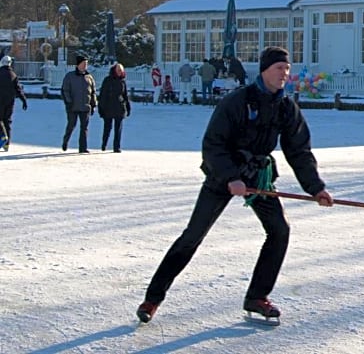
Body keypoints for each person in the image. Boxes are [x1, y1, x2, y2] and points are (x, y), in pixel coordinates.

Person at [136, 46, 334, 325]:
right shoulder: (236, 101)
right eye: (280, 68)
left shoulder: (287, 108)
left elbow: (299, 151)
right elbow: (213, 144)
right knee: (192, 236)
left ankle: (257, 296)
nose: (284, 74)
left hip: (258, 176)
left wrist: (315, 188)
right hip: (222, 174)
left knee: (279, 230)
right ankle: (152, 298)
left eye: (287, 69)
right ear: (265, 70)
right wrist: (231, 177)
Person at [61, 54, 97, 153]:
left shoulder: (89, 77)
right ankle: (65, 141)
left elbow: (93, 92)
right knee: (71, 125)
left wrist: (93, 104)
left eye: (86, 64)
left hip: (86, 106)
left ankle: (83, 147)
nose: (85, 66)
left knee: (84, 128)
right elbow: (65, 90)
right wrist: (68, 102)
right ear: (78, 65)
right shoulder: (70, 76)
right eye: (83, 63)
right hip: (73, 106)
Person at [98, 62, 131, 152]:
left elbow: (125, 95)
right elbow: (103, 95)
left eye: (121, 70)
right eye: (118, 70)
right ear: (114, 70)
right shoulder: (107, 80)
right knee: (107, 128)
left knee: (118, 129)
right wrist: (101, 108)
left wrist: (128, 107)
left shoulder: (122, 82)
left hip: (120, 108)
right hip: (108, 107)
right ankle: (104, 144)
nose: (120, 72)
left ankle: (116, 147)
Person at [0, 55, 28, 151]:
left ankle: (2, 137)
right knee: (7, 122)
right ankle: (7, 144)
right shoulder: (13, 75)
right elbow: (18, 89)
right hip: (10, 102)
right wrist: (23, 100)